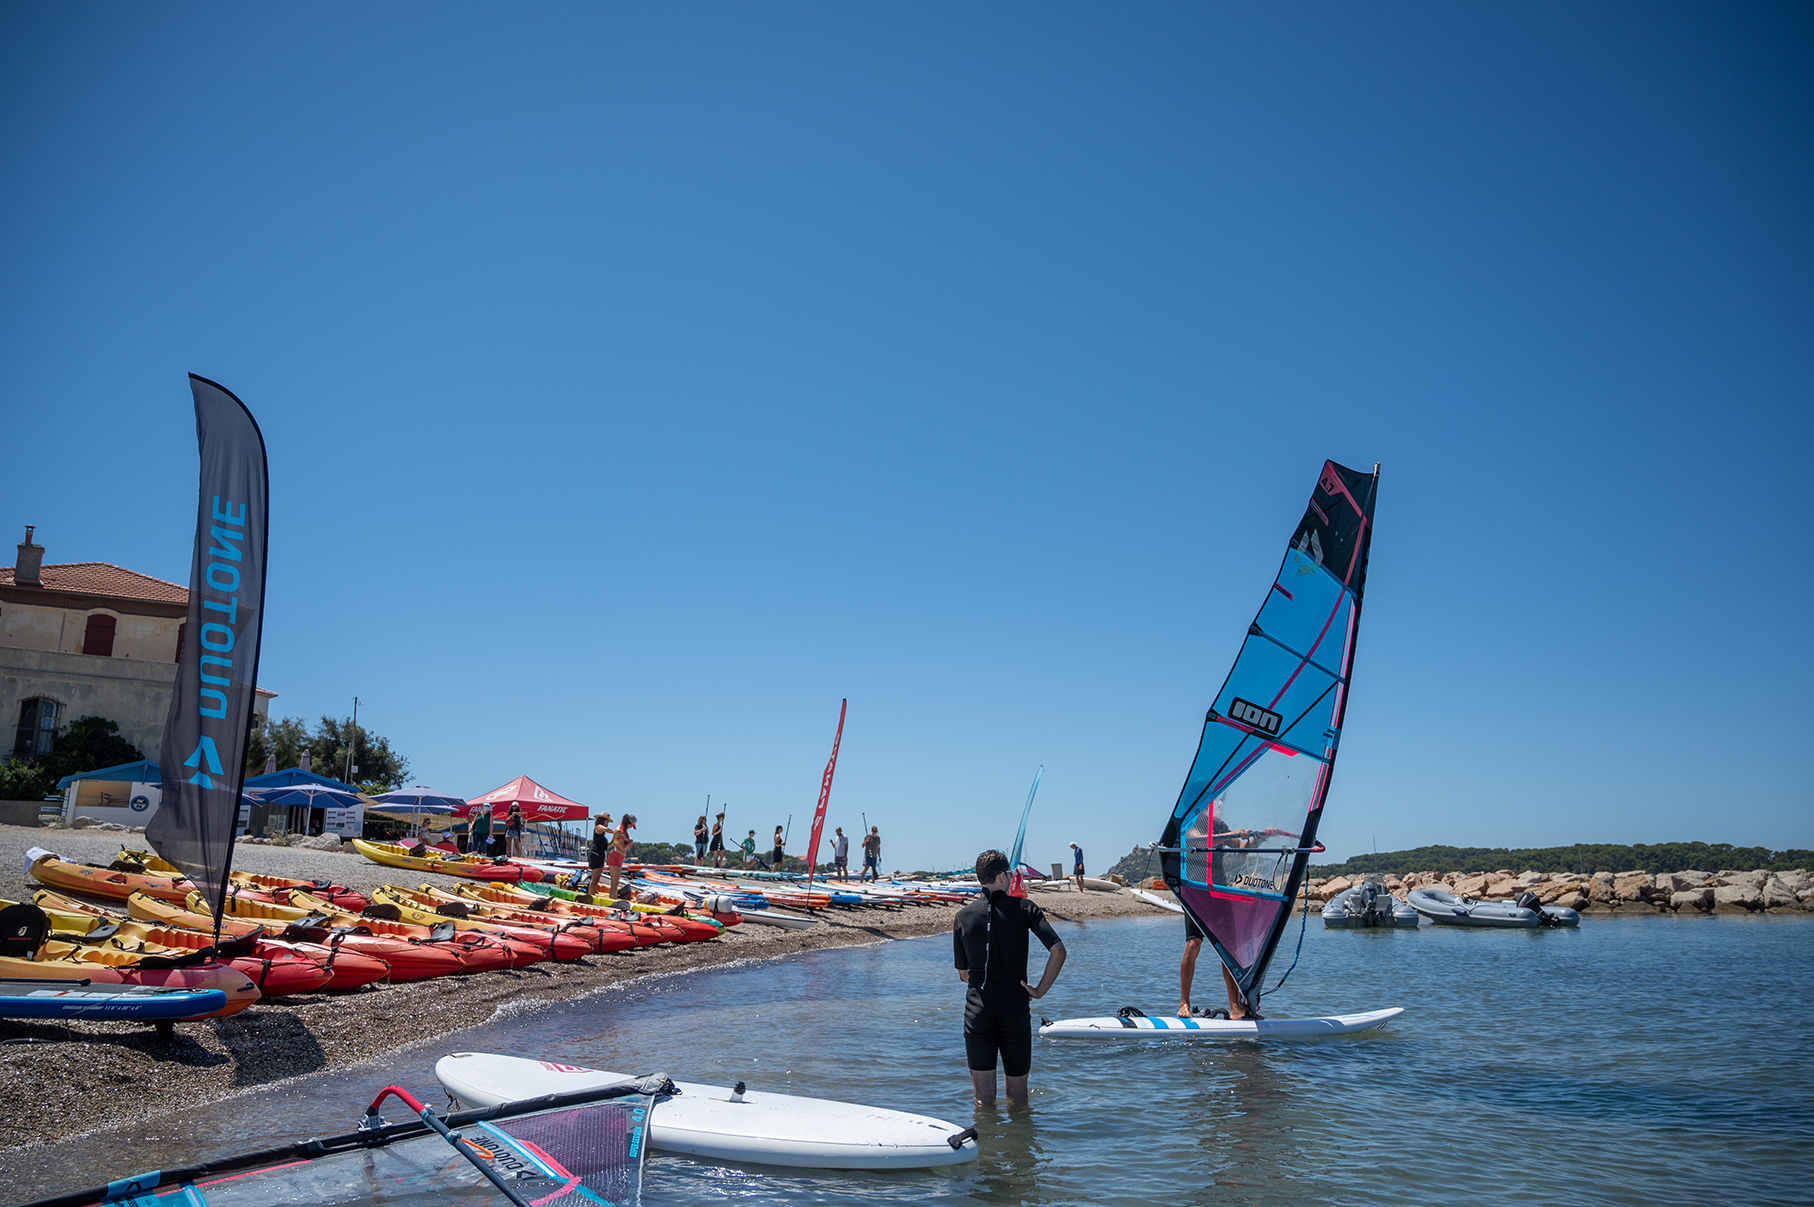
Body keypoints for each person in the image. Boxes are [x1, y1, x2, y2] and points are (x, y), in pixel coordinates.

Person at [953, 848, 1066, 1109]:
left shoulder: (963, 917)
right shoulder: (1025, 908)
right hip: (1014, 1009)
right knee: (1018, 1099)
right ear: (1003, 877)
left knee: (983, 1102)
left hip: (978, 1009)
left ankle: (986, 1150)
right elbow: (1058, 952)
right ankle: (1019, 1149)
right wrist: (1038, 991)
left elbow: (963, 974)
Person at [1179, 911, 1251, 1021]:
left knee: (1227, 946)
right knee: (1193, 943)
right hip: (1195, 897)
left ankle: (1235, 1007)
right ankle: (1184, 1004)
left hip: (1220, 897)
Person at [586, 812, 614, 899]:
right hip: (595, 854)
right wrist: (615, 832)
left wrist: (612, 841)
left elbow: (605, 846)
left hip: (601, 854)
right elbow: (607, 829)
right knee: (594, 879)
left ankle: (592, 895)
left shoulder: (602, 834)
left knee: (597, 879)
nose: (607, 822)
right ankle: (590, 896)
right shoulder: (598, 827)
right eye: (607, 821)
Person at [608, 814, 636, 897]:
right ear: (629, 824)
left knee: (615, 882)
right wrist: (630, 841)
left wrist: (628, 840)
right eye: (631, 825)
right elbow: (622, 847)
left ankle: (613, 898)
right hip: (615, 857)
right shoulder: (619, 831)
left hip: (618, 858)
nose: (631, 827)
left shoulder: (623, 830)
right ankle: (613, 900)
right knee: (614, 884)